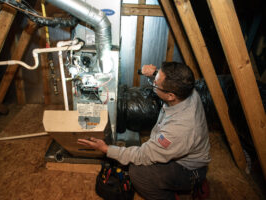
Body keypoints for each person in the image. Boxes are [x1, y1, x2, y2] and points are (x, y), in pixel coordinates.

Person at [78, 62, 211, 200]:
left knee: (138, 173)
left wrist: (106, 148)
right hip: (184, 152)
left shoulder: (179, 130)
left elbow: (143, 155)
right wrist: (155, 74)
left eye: (155, 84)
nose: (153, 83)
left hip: (188, 170)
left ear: (170, 95)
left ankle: (181, 190)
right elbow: (174, 79)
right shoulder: (187, 90)